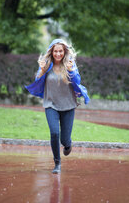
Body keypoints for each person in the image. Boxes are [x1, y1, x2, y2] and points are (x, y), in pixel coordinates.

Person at [25, 39, 90, 174]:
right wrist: (42, 70)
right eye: (55, 51)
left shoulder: (70, 64)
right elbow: (38, 78)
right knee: (54, 133)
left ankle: (68, 144)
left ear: (64, 51)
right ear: (52, 52)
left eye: (60, 51)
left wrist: (71, 71)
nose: (58, 54)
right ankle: (57, 163)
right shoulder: (46, 65)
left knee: (64, 139)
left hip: (68, 105)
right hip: (51, 104)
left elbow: (77, 81)